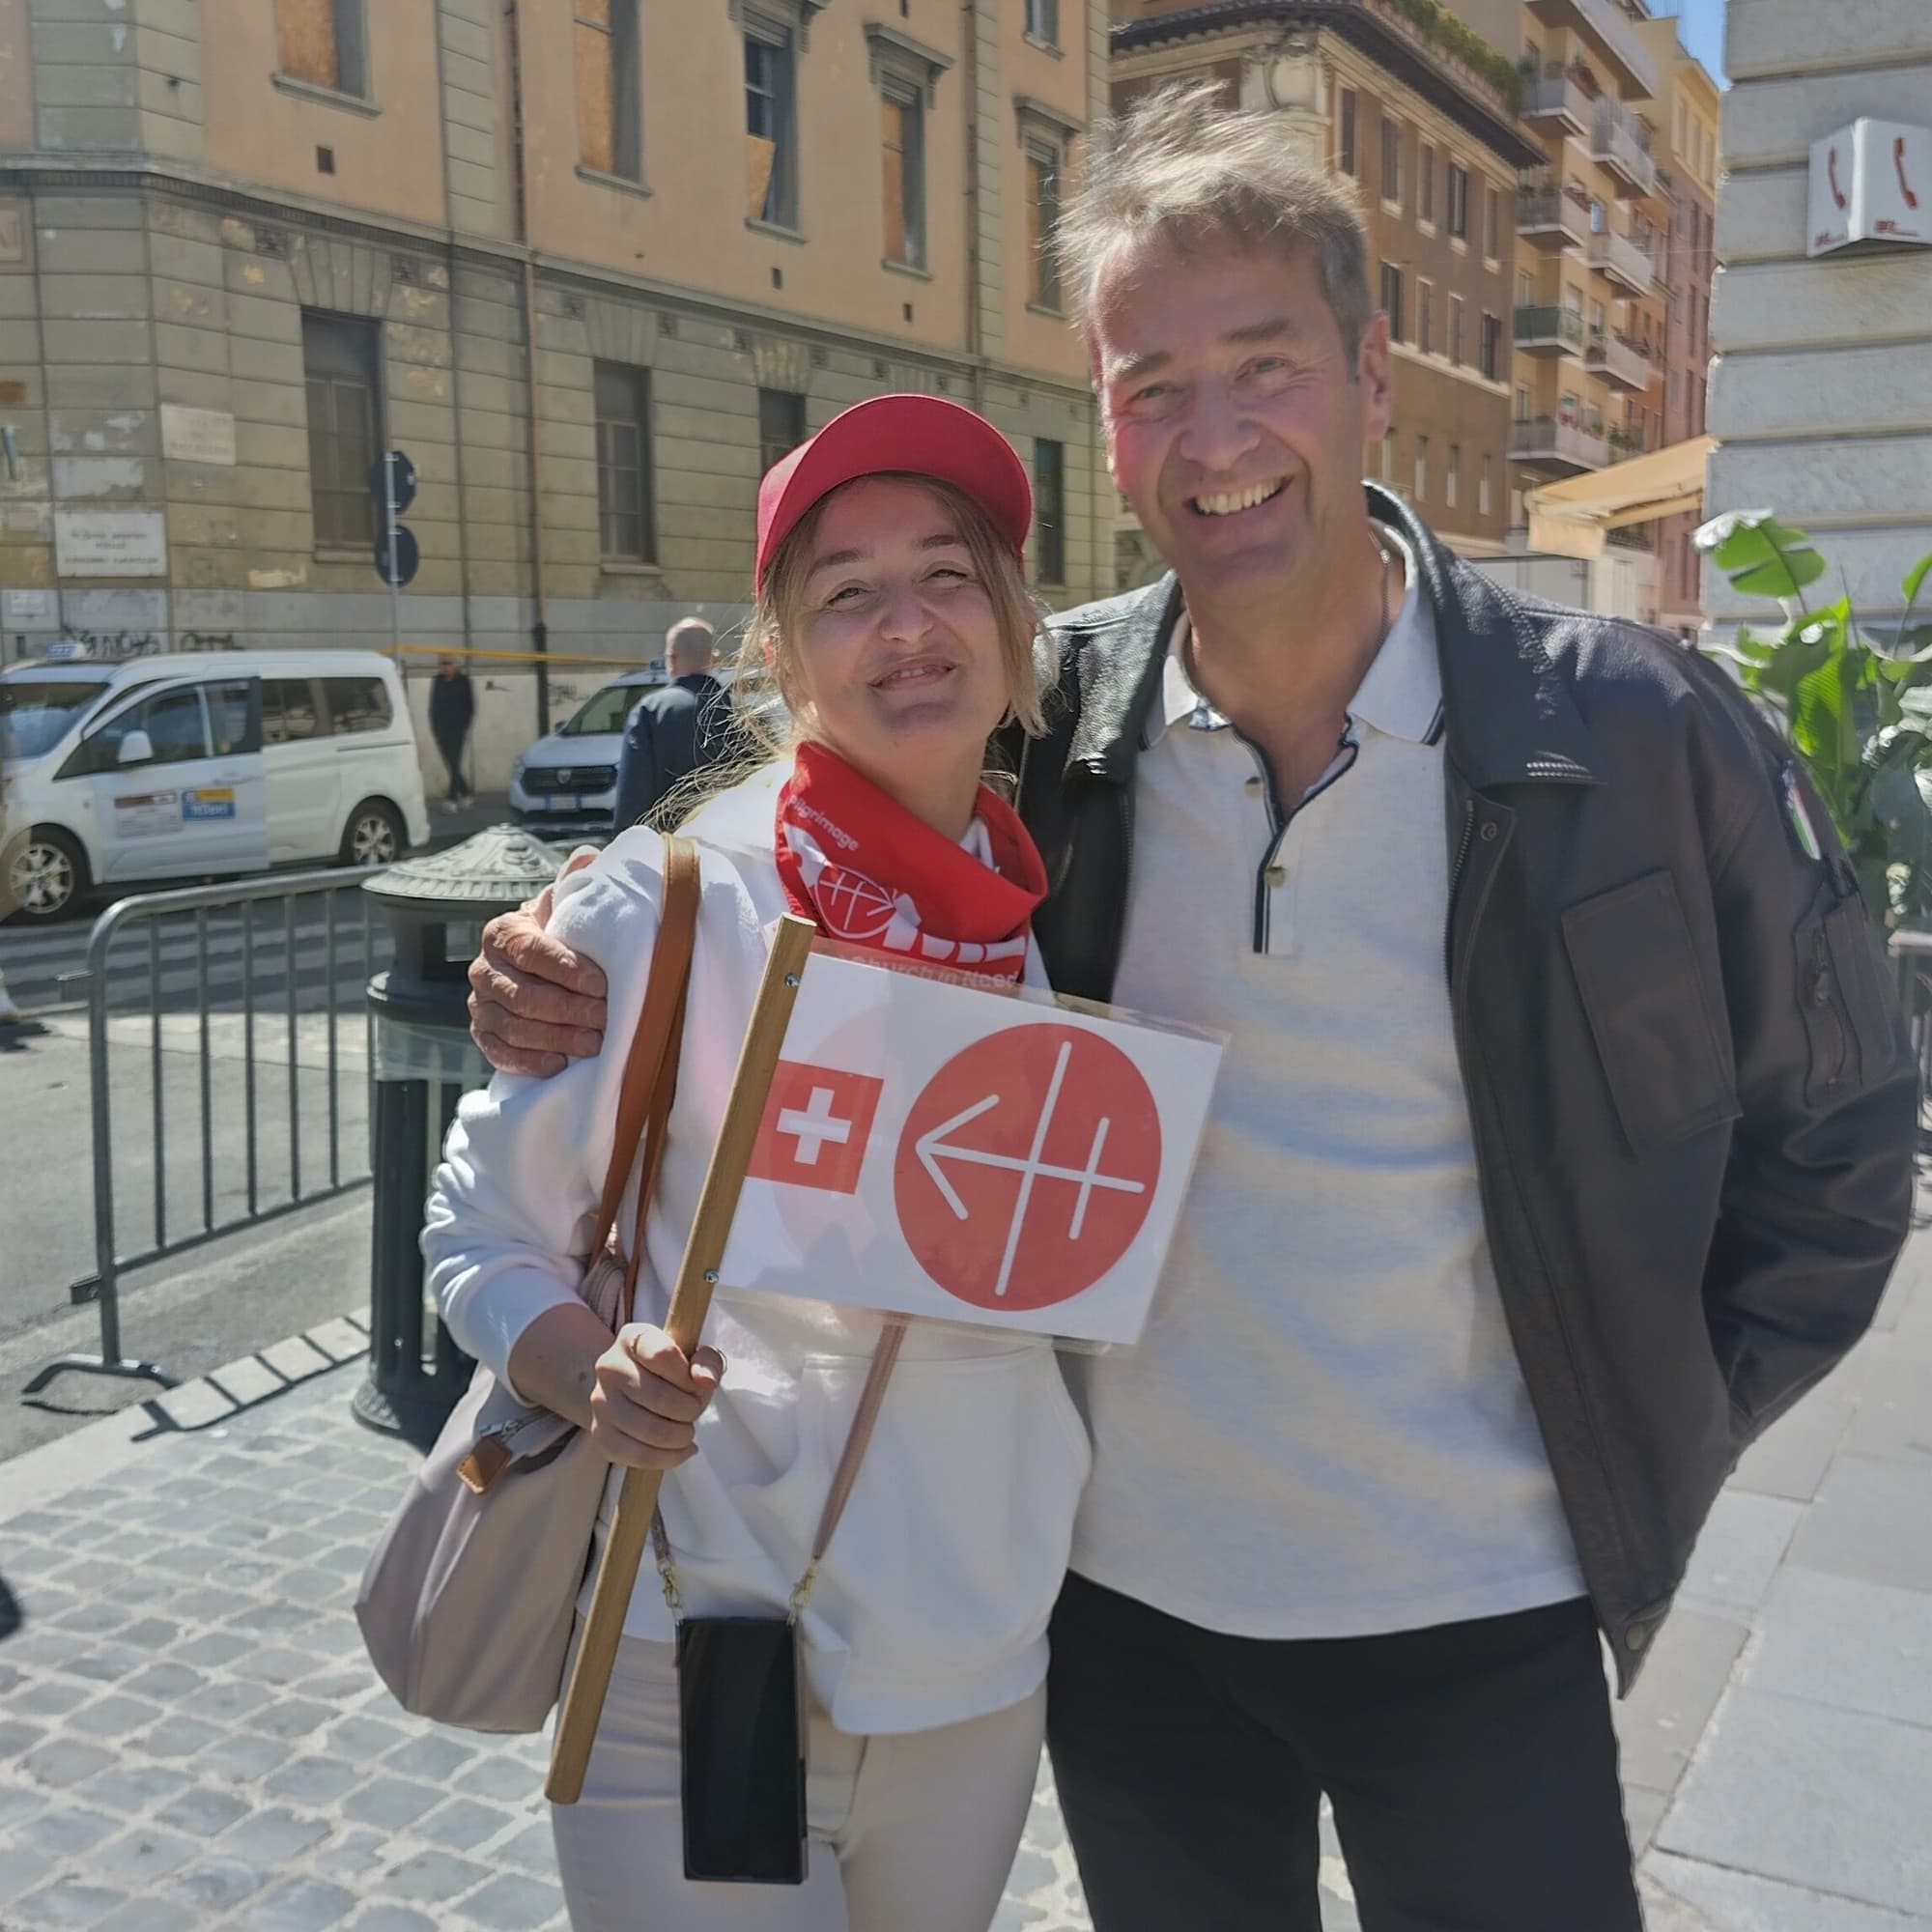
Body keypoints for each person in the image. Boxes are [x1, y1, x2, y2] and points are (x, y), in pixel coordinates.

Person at [462, 87, 1918, 1932]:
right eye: (1153, 383)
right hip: (1126, 1620)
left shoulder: (1628, 728)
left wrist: (1663, 1418)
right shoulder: (1055, 716)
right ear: (1107, 423)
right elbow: (822, 786)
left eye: (1265, 363)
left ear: (1372, 372)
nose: (1214, 437)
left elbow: (1847, 1129)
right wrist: (572, 946)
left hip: (1484, 1610)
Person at [424, 393, 1093, 1932]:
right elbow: (476, 1233)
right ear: (781, 659)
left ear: (1012, 622)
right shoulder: (661, 910)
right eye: (846, 593)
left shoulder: (1051, 902)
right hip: (684, 1653)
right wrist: (590, 1367)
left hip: (969, 1672)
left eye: (947, 573)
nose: (908, 626)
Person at [611, 615, 741, 831]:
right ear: (713, 659)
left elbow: (633, 793)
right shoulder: (741, 711)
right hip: (732, 846)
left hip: (670, 849)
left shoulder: (651, 711)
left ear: (671, 659)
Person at [428, 652, 475, 813]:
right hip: (442, 730)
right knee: (452, 764)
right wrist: (435, 728)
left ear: (455, 665)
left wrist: (464, 726)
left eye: (448, 663)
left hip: (457, 730)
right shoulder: (437, 682)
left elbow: (470, 707)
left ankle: (452, 799)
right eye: (442, 663)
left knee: (454, 762)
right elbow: (433, 706)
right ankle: (466, 792)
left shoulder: (463, 682)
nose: (445, 667)